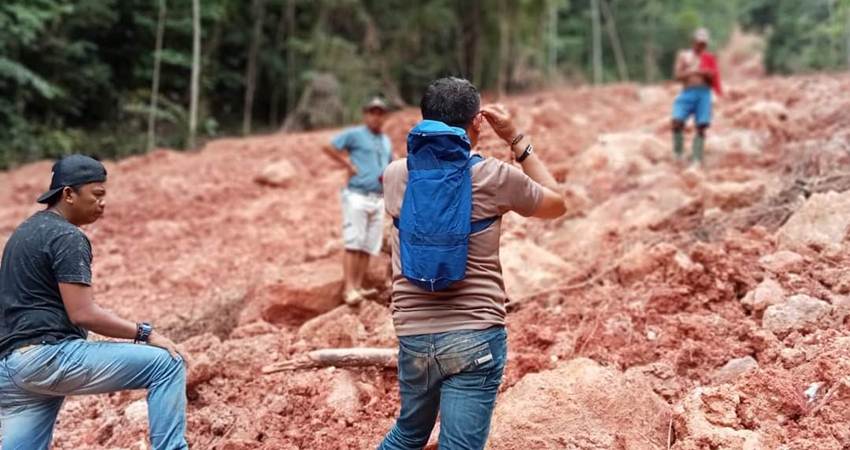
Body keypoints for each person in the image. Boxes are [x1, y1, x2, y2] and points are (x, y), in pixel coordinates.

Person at [378, 77, 567, 449]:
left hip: (413, 335)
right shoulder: (495, 176)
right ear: (477, 121)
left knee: (407, 435)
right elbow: (557, 203)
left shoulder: (397, 175)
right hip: (475, 335)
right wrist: (516, 139)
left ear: (424, 119)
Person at [0, 155, 190, 450]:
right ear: (68, 194)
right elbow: (83, 313)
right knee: (166, 364)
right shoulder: (67, 236)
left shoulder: (23, 233)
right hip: (47, 359)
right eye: (97, 194)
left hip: (12, 369)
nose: (103, 203)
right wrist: (146, 333)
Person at [322, 97, 393, 306]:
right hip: (357, 195)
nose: (376, 117)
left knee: (368, 245)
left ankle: (359, 285)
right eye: (372, 112)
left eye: (380, 113)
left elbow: (389, 162)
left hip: (377, 198)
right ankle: (349, 289)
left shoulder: (385, 140)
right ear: (366, 114)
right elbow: (328, 146)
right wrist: (346, 164)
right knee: (354, 242)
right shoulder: (355, 134)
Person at [672, 27, 723, 166]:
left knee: (701, 125)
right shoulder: (684, 55)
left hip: (704, 93)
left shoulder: (709, 58)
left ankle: (696, 159)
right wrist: (695, 71)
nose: (701, 46)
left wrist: (708, 74)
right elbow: (677, 75)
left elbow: (715, 77)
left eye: (703, 44)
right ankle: (678, 154)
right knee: (677, 120)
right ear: (693, 41)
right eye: (699, 42)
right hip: (688, 91)